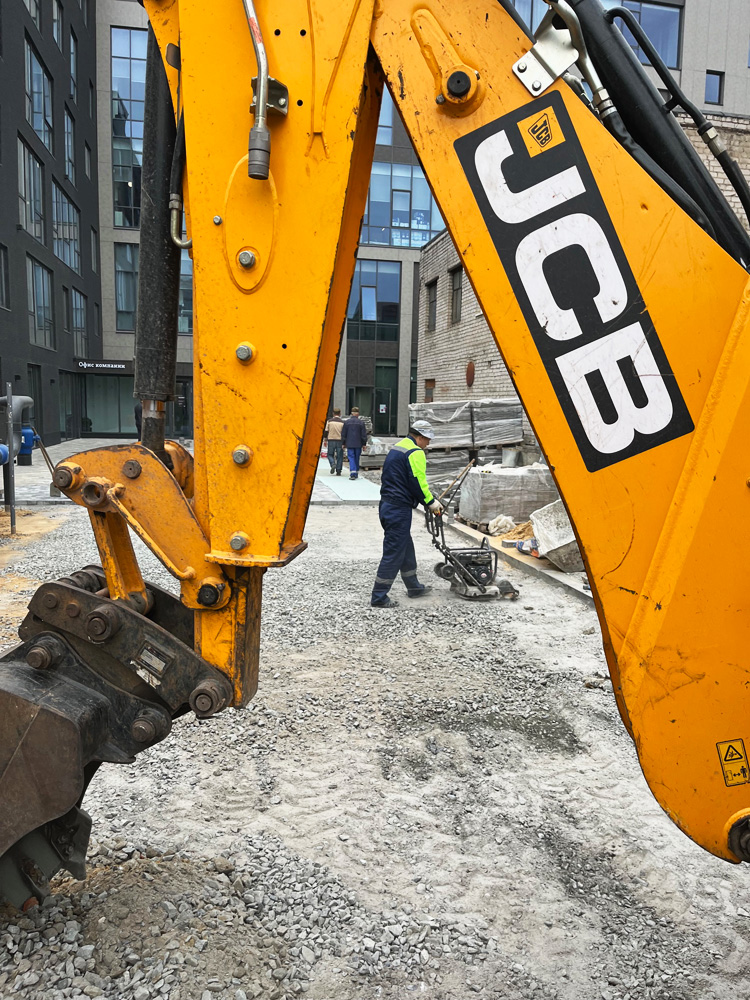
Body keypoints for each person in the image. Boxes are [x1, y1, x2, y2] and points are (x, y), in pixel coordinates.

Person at [371, 419, 444, 608]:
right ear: (420, 437)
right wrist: (430, 502)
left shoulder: (399, 447)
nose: (428, 443)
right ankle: (379, 596)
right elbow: (418, 482)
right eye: (427, 439)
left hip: (387, 505)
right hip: (398, 508)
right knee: (394, 551)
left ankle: (413, 586)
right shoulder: (415, 452)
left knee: (405, 546)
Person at [341, 406, 368, 480]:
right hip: (358, 444)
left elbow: (344, 434)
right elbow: (363, 435)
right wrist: (364, 444)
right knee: (357, 457)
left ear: (351, 413)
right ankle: (356, 472)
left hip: (349, 443)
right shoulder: (361, 423)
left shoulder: (347, 422)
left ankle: (353, 472)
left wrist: (343, 443)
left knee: (351, 457)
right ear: (358, 414)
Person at [324, 408, 344, 476]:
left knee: (330, 454)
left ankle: (332, 464)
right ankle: (338, 470)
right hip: (339, 440)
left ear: (333, 413)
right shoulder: (342, 422)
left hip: (331, 439)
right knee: (339, 456)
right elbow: (344, 433)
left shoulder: (329, 421)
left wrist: (325, 440)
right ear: (340, 414)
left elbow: (326, 431)